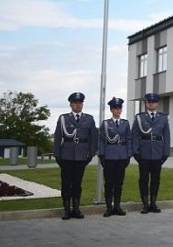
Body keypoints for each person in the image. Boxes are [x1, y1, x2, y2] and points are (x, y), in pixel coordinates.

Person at [53, 92, 98, 220]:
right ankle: (67, 210)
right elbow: (57, 138)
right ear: (71, 104)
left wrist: (91, 154)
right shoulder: (63, 118)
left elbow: (93, 138)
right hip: (66, 155)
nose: (78, 105)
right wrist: (57, 155)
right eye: (75, 103)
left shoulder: (89, 119)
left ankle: (76, 209)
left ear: (82, 104)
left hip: (82, 156)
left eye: (80, 103)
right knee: (66, 183)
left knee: (77, 183)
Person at [131, 92, 170, 214]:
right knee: (143, 179)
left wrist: (166, 153)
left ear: (157, 104)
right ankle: (145, 204)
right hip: (143, 152)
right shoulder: (140, 117)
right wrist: (135, 152)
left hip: (158, 153)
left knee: (156, 179)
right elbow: (135, 135)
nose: (151, 104)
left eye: (153, 102)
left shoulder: (163, 118)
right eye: (149, 102)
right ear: (145, 104)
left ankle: (153, 203)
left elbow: (166, 136)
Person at [98, 96, 132, 217]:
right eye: (115, 108)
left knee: (119, 183)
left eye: (119, 108)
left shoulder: (125, 123)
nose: (118, 110)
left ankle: (117, 206)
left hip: (122, 156)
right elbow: (101, 140)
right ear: (111, 110)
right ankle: (109, 207)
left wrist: (128, 155)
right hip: (109, 156)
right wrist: (102, 155)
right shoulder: (106, 124)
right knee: (109, 183)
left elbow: (128, 139)